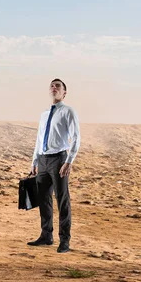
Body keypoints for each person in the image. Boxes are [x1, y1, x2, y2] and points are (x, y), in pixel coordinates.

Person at [27, 78, 80, 253]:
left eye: (58, 86)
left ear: (64, 93)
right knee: (43, 199)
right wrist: (34, 161)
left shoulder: (68, 112)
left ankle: (64, 240)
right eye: (52, 85)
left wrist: (68, 161)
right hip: (43, 160)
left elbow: (76, 138)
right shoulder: (44, 114)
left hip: (59, 159)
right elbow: (39, 139)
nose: (54, 87)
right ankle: (46, 235)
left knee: (62, 200)